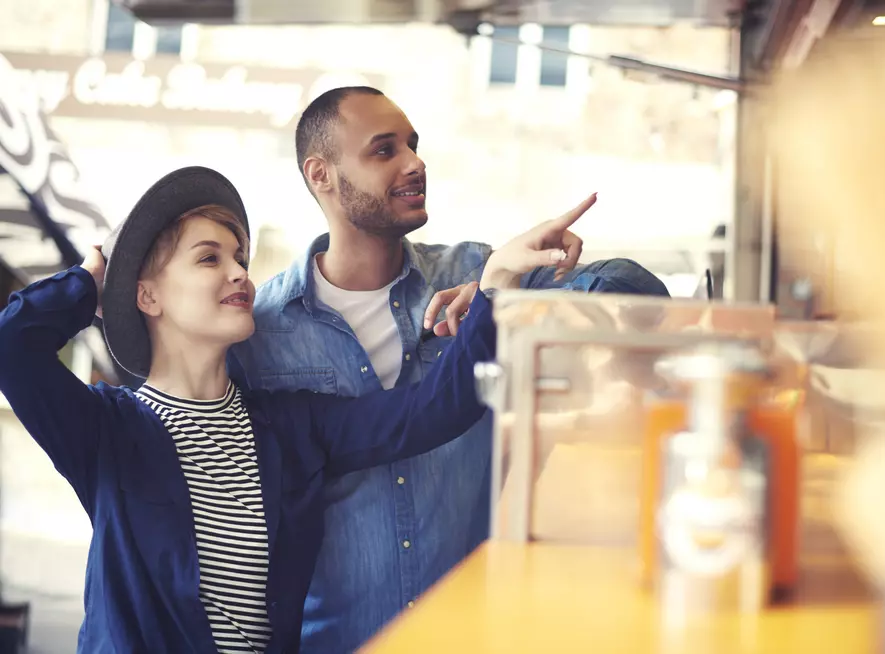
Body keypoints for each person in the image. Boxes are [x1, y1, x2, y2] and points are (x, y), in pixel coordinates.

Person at [0, 165, 586, 653]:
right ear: (147, 295)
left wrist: (494, 285)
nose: (239, 273)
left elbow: (431, 411)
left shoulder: (290, 426)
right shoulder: (106, 431)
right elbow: (11, 344)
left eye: (240, 258)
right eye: (209, 259)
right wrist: (89, 282)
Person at [228, 86, 672, 652]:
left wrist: (504, 296)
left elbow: (642, 298)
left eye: (413, 145)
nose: (416, 163)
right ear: (322, 174)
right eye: (384, 151)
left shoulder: (481, 272)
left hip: (476, 635)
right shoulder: (261, 334)